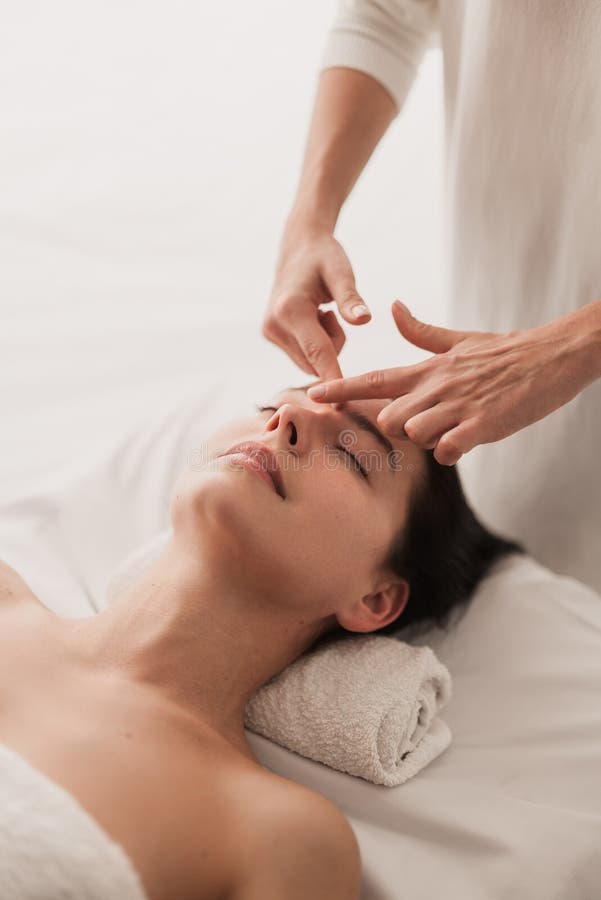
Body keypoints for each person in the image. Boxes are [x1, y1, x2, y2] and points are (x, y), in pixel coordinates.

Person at [0, 382, 523, 900]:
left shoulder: (284, 837)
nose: (286, 420)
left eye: (351, 453)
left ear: (375, 599)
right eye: (271, 406)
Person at [262, 0, 601, 596]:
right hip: (510, 421)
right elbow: (387, 14)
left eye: (356, 459)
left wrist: (575, 345)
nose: (288, 417)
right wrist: (307, 221)